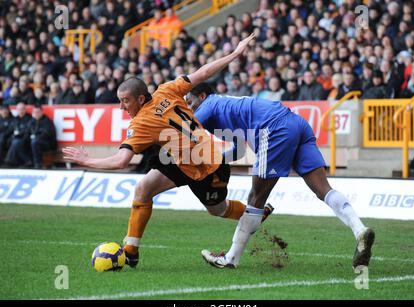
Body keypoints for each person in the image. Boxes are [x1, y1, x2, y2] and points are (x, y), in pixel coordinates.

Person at [63, 34, 272, 269]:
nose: (121, 107)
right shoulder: (167, 89)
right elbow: (202, 73)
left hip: (209, 167)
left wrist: (87, 160)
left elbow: (121, 161)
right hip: (181, 159)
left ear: (140, 99)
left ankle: (255, 213)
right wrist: (234, 54)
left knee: (218, 210)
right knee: (143, 188)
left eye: (125, 101)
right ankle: (130, 251)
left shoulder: (141, 123)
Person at [184, 83, 375, 269]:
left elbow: (185, 130)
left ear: (202, 97)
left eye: (190, 102)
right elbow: (239, 150)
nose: (188, 107)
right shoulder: (224, 108)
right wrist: (216, 160)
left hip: (273, 128)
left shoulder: (209, 105)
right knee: (323, 190)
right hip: (296, 123)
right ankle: (360, 230)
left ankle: (231, 258)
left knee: (256, 198)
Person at [4, 102, 33, 167]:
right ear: (17, 110)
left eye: (22, 109)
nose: (20, 111)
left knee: (16, 143)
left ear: (25, 109)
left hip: (25, 138)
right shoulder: (15, 119)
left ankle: (9, 161)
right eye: (19, 109)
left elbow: (28, 131)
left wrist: (19, 134)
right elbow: (10, 129)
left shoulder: (29, 118)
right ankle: (26, 161)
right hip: (15, 138)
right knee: (13, 142)